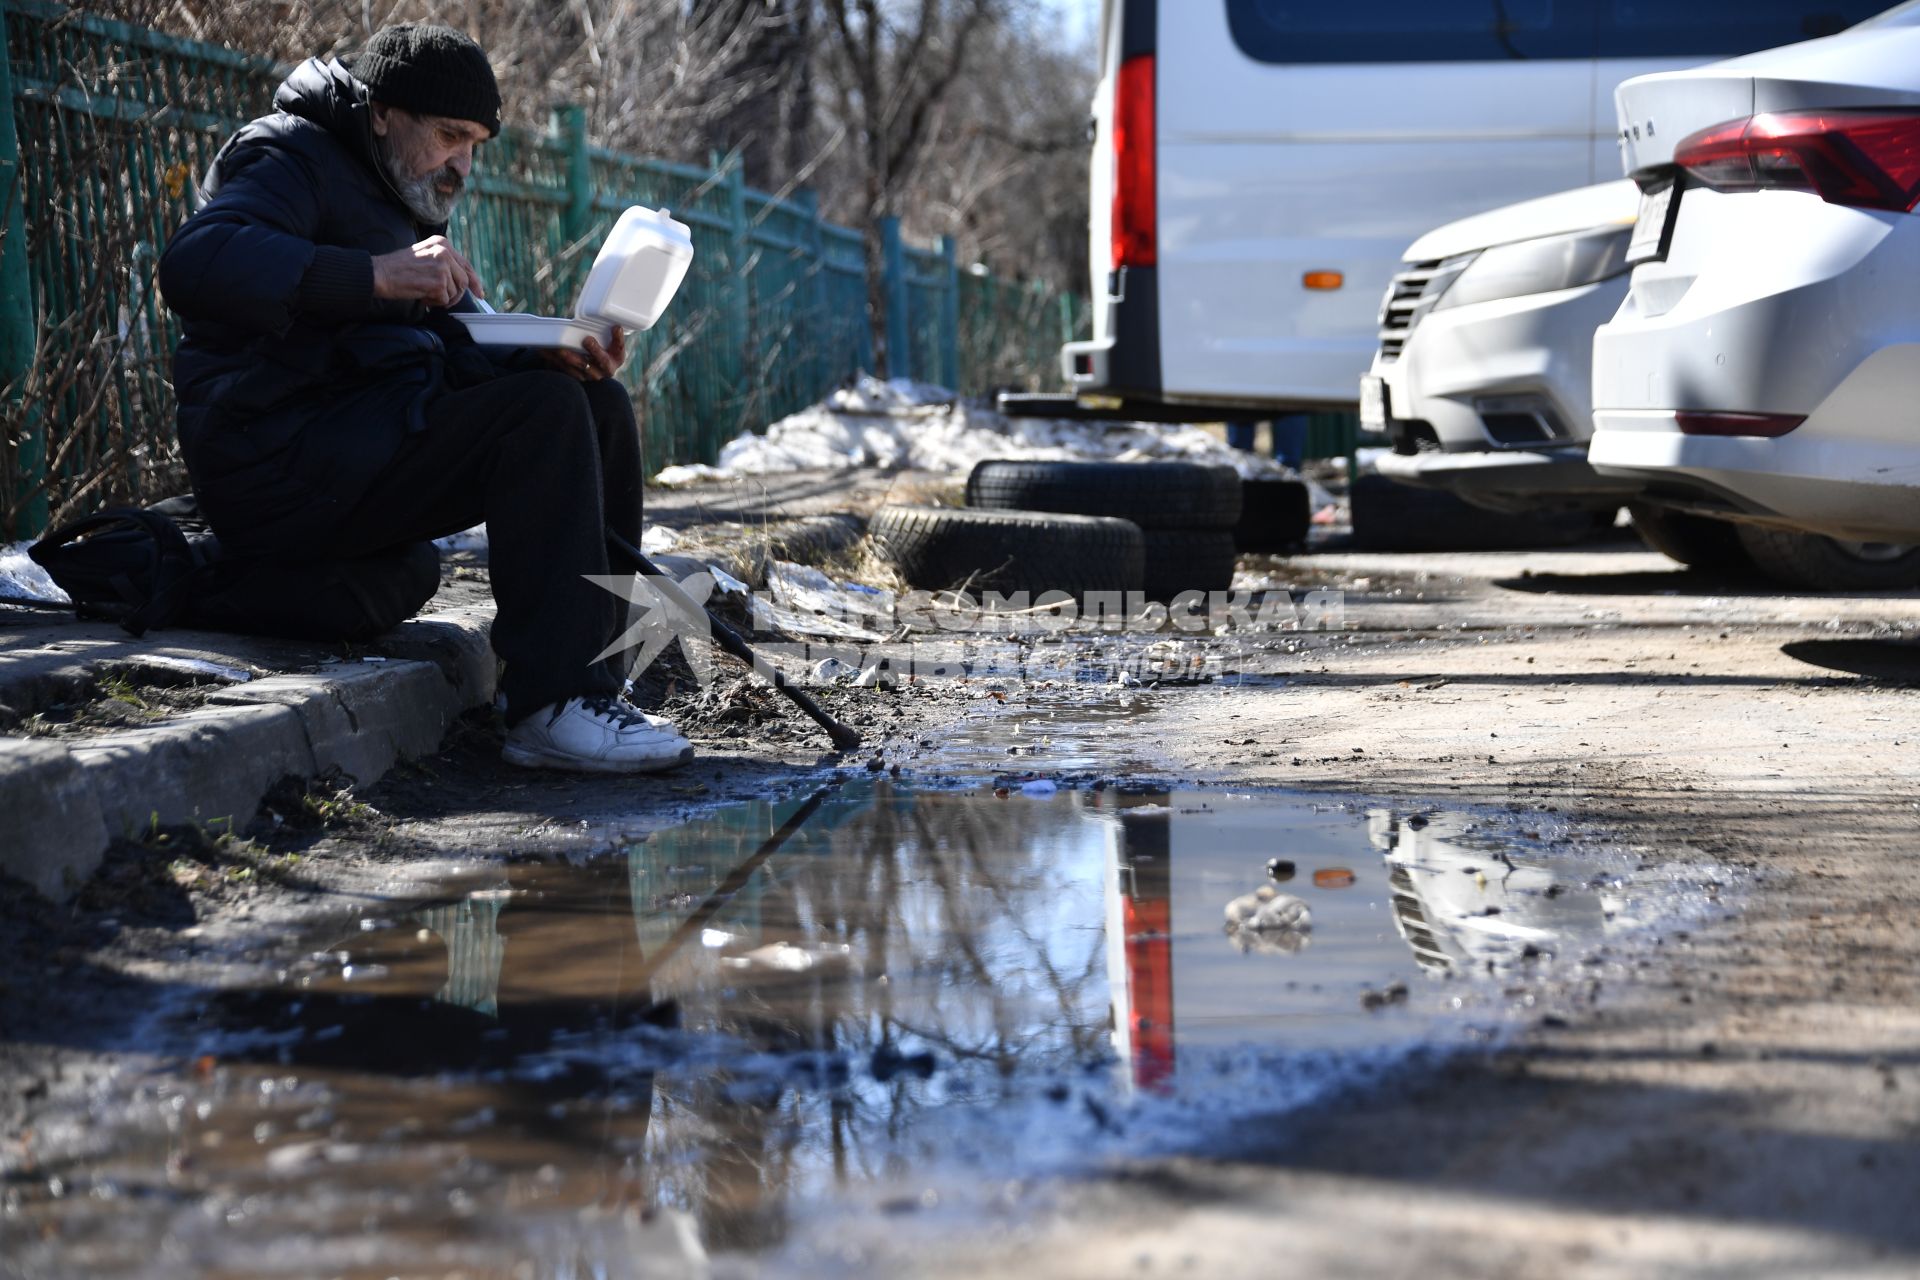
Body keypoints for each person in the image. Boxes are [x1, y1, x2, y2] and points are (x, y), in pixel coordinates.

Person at [158, 24, 692, 774]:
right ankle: (553, 704)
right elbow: (195, 262)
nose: (461, 165)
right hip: (277, 456)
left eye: (474, 143)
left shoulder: (395, 187)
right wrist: (374, 274)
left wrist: (534, 349)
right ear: (382, 112)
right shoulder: (287, 156)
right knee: (540, 416)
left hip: (357, 442)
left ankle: (592, 683)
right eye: (449, 135)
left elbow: (407, 356)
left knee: (589, 400)